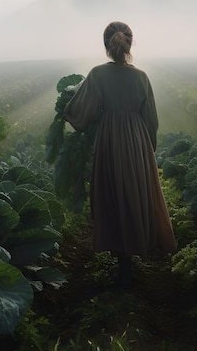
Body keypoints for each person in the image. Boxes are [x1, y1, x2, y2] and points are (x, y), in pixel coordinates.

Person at [64, 21, 177, 287]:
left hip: (110, 140)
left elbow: (80, 114)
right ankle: (134, 254)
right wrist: (148, 147)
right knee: (135, 192)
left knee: (112, 192)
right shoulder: (141, 77)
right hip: (137, 141)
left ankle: (121, 263)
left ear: (106, 45)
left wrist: (70, 114)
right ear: (129, 44)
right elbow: (151, 120)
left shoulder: (97, 74)